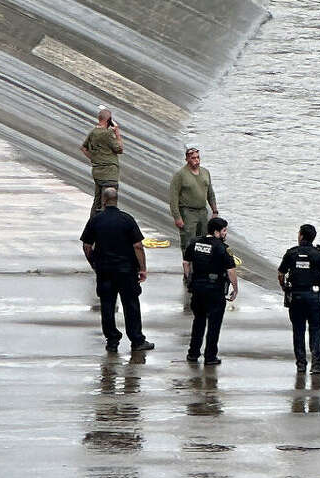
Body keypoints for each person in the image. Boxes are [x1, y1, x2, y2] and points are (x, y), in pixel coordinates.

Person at [79, 186, 152, 352]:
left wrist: (94, 264)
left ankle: (112, 340)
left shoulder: (95, 220)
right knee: (131, 305)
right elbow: (138, 246)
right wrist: (143, 268)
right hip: (126, 270)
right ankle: (137, 340)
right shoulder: (127, 219)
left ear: (104, 201)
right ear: (116, 200)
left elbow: (86, 246)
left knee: (107, 305)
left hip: (104, 270)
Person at [278, 223, 320, 373]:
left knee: (298, 330)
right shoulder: (318, 255)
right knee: (315, 330)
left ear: (301, 236)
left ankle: (301, 364)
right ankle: (317, 364)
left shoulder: (291, 253)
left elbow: (281, 274)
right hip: (314, 297)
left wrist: (284, 287)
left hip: (296, 297)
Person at [185, 215, 238, 366]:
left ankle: (193, 353)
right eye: (224, 231)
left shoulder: (195, 243)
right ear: (216, 232)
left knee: (198, 321)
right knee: (214, 325)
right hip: (215, 290)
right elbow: (231, 271)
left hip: (198, 289)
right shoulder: (222, 248)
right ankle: (210, 357)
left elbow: (186, 262)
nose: (225, 233)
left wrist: (189, 279)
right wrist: (235, 289)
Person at [168, 146, 219, 279]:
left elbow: (210, 193)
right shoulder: (180, 175)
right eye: (193, 158)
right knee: (188, 242)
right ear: (187, 159)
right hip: (187, 212)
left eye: (197, 157)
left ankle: (201, 270)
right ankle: (188, 273)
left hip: (203, 212)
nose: (196, 160)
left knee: (204, 242)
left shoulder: (205, 172)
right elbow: (173, 198)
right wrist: (177, 217)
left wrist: (214, 210)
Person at [79, 108, 123, 215]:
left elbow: (83, 148)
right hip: (109, 172)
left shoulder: (93, 132)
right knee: (109, 203)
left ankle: (92, 225)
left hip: (97, 171)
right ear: (109, 120)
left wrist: (95, 159)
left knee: (97, 202)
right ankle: (106, 227)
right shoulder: (107, 134)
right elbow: (120, 149)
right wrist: (117, 134)